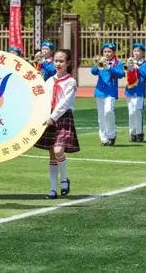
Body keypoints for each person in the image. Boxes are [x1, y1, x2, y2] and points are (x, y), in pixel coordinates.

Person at [34, 49, 80, 199]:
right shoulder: (50, 80)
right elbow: (43, 99)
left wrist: (53, 117)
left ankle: (64, 179)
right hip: (50, 117)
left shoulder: (71, 81)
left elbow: (64, 103)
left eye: (61, 61)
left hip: (62, 117)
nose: (58, 64)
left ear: (68, 63)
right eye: (56, 61)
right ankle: (53, 189)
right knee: (52, 154)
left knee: (59, 150)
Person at [91, 42, 125, 146]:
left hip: (111, 92)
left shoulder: (118, 63)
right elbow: (93, 71)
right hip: (100, 91)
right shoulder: (101, 61)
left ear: (114, 52)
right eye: (105, 51)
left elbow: (121, 74)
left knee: (108, 111)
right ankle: (104, 139)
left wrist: (109, 68)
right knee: (101, 116)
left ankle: (111, 135)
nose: (107, 53)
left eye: (109, 51)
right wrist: (99, 63)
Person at [124, 42, 146, 142]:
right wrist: (130, 65)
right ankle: (132, 133)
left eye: (138, 51)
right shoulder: (130, 61)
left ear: (142, 53)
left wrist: (138, 68)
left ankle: (139, 133)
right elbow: (125, 73)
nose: (136, 53)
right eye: (135, 51)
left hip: (139, 91)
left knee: (137, 111)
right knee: (131, 113)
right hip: (129, 91)